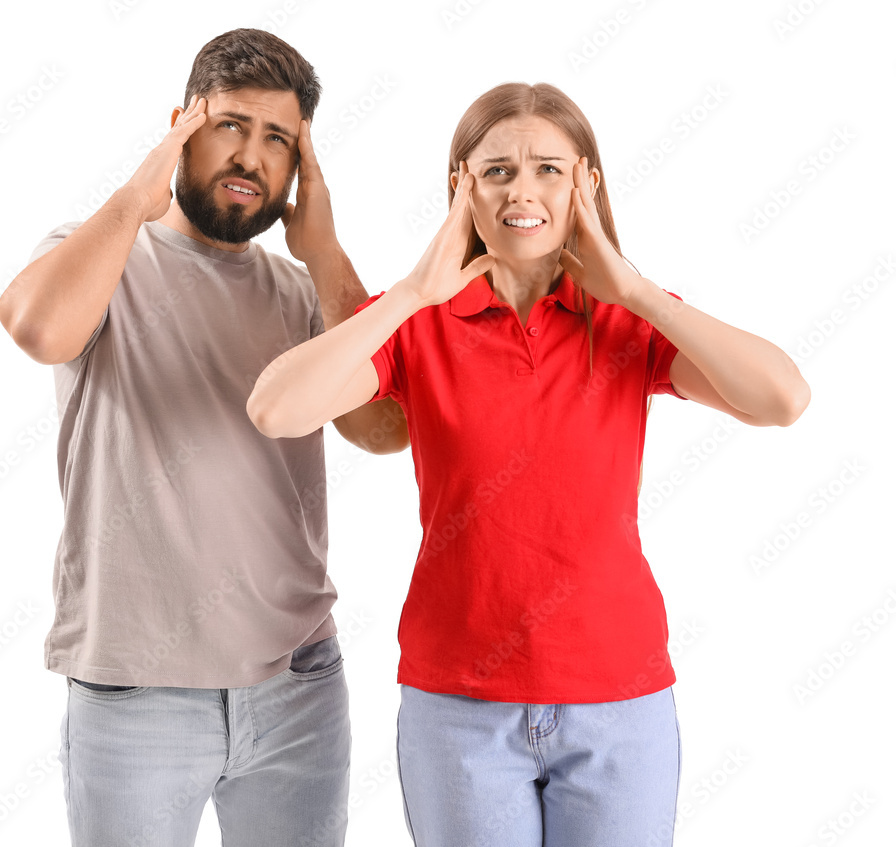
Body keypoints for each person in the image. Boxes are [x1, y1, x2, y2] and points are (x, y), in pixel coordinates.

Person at [247, 82, 811, 847]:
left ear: (586, 183)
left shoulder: (625, 320)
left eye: (548, 168)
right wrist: (412, 292)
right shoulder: (419, 322)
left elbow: (783, 398)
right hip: (458, 706)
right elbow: (276, 409)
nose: (522, 190)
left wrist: (638, 290)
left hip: (618, 699)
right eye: (497, 170)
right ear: (461, 185)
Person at [0, 28, 408, 847]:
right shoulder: (100, 256)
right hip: (136, 692)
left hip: (297, 686)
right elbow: (39, 328)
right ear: (181, 126)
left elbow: (381, 427)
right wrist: (139, 192)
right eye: (230, 126)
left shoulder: (302, 294)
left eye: (278, 139)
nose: (251, 156)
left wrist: (325, 252)